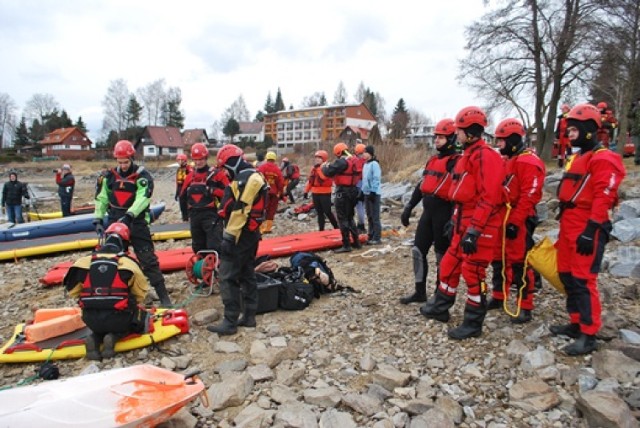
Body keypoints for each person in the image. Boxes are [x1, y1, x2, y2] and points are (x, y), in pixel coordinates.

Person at [420, 106, 506, 340]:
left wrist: (475, 230)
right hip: (463, 220)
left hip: (481, 224)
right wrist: (455, 221)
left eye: (459, 131)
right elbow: (461, 194)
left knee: (474, 272)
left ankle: (473, 321)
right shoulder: (468, 156)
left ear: (469, 133)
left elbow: (489, 198)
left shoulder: (487, 157)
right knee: (449, 264)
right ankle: (440, 308)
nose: (456, 135)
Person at [552, 103, 626, 355]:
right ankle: (575, 321)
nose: (569, 135)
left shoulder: (604, 158)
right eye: (568, 131)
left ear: (587, 130)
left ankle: (589, 333)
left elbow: (604, 196)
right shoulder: (580, 157)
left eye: (573, 130)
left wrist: (591, 228)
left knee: (583, 279)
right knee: (566, 274)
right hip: (570, 222)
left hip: (587, 225)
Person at [93, 140, 172, 307]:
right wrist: (98, 218)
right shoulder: (109, 177)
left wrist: (130, 215)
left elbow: (143, 198)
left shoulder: (142, 176)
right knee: (114, 259)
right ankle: (119, 296)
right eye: (120, 162)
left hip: (136, 222)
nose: (122, 166)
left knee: (148, 259)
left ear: (131, 159)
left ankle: (164, 297)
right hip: (115, 222)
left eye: (126, 162)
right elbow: (102, 198)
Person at [487, 118, 545, 324]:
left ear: (512, 140)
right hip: (503, 215)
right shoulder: (508, 159)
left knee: (520, 261)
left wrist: (516, 221)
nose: (498, 145)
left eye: (501, 141)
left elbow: (530, 195)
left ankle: (525, 304)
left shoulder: (528, 161)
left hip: (519, 217)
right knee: (498, 258)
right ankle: (499, 295)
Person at [64, 223, 150, 360]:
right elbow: (140, 294)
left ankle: (95, 337)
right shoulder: (128, 264)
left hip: (91, 318)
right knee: (138, 317)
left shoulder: (82, 263)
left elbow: (73, 292)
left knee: (99, 326)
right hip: (119, 318)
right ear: (126, 243)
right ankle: (114, 337)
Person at [207, 144, 268, 335]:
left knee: (227, 276)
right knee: (247, 272)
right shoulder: (251, 177)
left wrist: (228, 237)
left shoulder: (249, 179)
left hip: (241, 236)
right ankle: (249, 316)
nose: (225, 172)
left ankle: (230, 320)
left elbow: (241, 209)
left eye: (226, 167)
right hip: (249, 235)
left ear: (232, 163)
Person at [399, 118, 460, 304]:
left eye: (441, 137)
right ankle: (420, 292)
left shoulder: (457, 161)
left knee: (442, 256)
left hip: (445, 212)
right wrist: (409, 206)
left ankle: (439, 295)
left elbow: (461, 192)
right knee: (418, 250)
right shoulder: (433, 160)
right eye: (436, 137)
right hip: (428, 212)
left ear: (451, 139)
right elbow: (422, 185)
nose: (437, 141)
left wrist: (455, 218)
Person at [180, 143, 229, 256]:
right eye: (196, 159)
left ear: (206, 158)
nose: (198, 162)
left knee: (215, 246)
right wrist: (185, 215)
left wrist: (213, 191)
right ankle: (202, 269)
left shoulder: (217, 175)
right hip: (195, 215)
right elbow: (182, 195)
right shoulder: (190, 177)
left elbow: (229, 193)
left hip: (212, 215)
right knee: (198, 246)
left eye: (201, 159)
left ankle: (218, 270)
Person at [322, 142, 362, 253]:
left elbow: (328, 172)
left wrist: (324, 167)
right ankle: (356, 242)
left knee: (342, 218)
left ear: (338, 152)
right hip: (353, 191)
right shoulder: (353, 160)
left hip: (343, 193)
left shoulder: (342, 162)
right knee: (350, 217)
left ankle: (346, 244)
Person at [303, 150, 338, 231]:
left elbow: (324, 177)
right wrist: (306, 191)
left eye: (319, 158)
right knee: (319, 212)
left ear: (324, 158)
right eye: (316, 157)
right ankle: (321, 230)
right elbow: (311, 181)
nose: (317, 159)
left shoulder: (327, 167)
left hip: (325, 192)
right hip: (315, 192)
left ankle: (336, 227)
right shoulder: (314, 168)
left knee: (327, 211)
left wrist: (318, 168)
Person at [257, 151, 284, 234]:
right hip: (274, 193)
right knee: (271, 210)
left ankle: (261, 228)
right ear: (274, 159)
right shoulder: (277, 169)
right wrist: (281, 193)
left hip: (264, 192)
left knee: (262, 209)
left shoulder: (262, 167)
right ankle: (268, 228)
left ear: (267, 158)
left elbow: (257, 178)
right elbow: (281, 183)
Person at [361, 145, 382, 245]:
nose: (363, 154)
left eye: (365, 152)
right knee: (369, 215)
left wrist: (373, 191)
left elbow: (376, 178)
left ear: (370, 153)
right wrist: (362, 191)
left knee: (375, 216)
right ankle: (371, 234)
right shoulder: (365, 164)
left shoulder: (374, 164)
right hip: (366, 193)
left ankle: (377, 237)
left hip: (373, 193)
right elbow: (364, 179)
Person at [353, 142, 367, 234]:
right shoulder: (367, 161)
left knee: (359, 207)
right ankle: (361, 224)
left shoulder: (356, 161)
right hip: (365, 186)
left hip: (358, 185)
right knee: (362, 206)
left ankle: (361, 225)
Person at [175, 153, 192, 222]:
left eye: (181, 160)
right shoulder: (178, 170)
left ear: (185, 161)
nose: (179, 162)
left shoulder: (189, 169)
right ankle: (184, 219)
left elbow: (191, 180)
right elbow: (177, 182)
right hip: (180, 190)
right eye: (178, 160)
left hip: (187, 190)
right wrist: (176, 193)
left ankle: (190, 219)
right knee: (182, 207)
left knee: (189, 206)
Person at [629, 96, 640, 166]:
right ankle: (637, 160)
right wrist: (631, 107)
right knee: (638, 146)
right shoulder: (635, 109)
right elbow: (629, 115)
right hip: (636, 131)